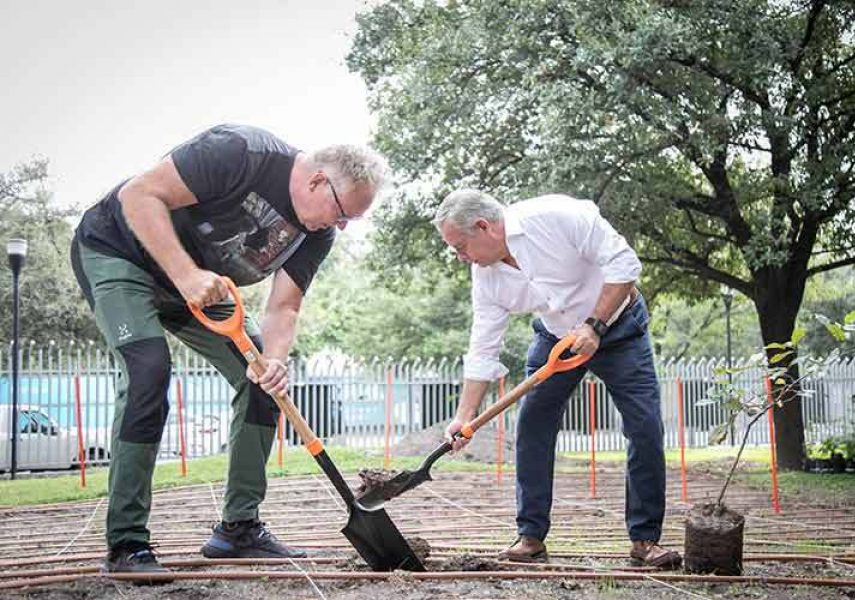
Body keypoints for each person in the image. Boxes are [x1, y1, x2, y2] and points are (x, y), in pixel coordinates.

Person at [70, 124, 387, 579]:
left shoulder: (316, 233)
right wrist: (184, 275)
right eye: (341, 213)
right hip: (121, 253)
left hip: (198, 284)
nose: (339, 226)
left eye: (349, 222)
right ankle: (126, 543)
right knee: (148, 373)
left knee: (262, 382)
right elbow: (139, 195)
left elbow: (285, 306)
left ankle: (238, 529)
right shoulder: (240, 152)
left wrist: (274, 360)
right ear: (318, 180)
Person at [436, 189, 681, 569]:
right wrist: (464, 416)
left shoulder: (557, 216)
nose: (459, 257)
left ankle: (645, 540)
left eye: (460, 246)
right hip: (557, 339)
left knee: (644, 427)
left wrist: (595, 325)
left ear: (484, 226)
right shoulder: (486, 277)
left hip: (619, 327)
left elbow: (624, 262)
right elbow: (483, 345)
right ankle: (530, 536)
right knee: (532, 424)